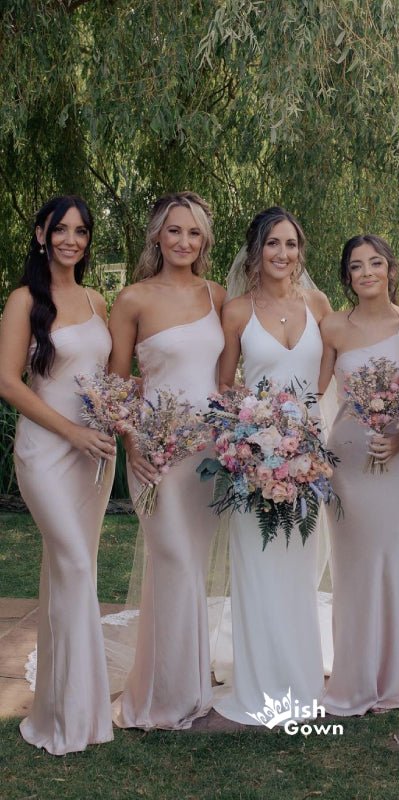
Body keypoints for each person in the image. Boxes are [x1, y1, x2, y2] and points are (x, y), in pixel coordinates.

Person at [0, 196, 116, 754]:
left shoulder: (97, 301)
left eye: (81, 232)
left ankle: (60, 705)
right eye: (61, 230)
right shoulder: (24, 300)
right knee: (73, 564)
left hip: (94, 455)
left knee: (69, 572)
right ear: (41, 234)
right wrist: (71, 431)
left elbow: (105, 378)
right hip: (46, 450)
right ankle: (72, 717)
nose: (72, 240)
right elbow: (8, 382)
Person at [108, 192, 225, 729]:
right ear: (157, 234)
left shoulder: (217, 295)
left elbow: (223, 378)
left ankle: (188, 685)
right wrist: (133, 442)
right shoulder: (132, 299)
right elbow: (116, 385)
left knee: (189, 566)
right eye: (174, 230)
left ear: (204, 240)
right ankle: (163, 698)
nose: (184, 241)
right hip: (154, 452)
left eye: (194, 232)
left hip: (208, 455)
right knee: (172, 559)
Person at [214, 206, 332, 724]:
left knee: (299, 569)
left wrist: (306, 431)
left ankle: (301, 682)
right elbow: (224, 385)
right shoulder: (237, 311)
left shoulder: (319, 304)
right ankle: (260, 685)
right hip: (254, 459)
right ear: (255, 250)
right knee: (258, 566)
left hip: (307, 458)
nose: (283, 254)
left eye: (291, 243)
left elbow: (329, 373)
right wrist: (252, 436)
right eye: (273, 244)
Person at [318, 234, 399, 715]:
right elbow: (312, 390)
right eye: (357, 265)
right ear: (347, 275)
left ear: (391, 269)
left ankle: (394, 681)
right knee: (352, 569)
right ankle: (353, 678)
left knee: (390, 565)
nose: (367, 272)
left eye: (375, 263)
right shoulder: (332, 327)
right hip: (346, 462)